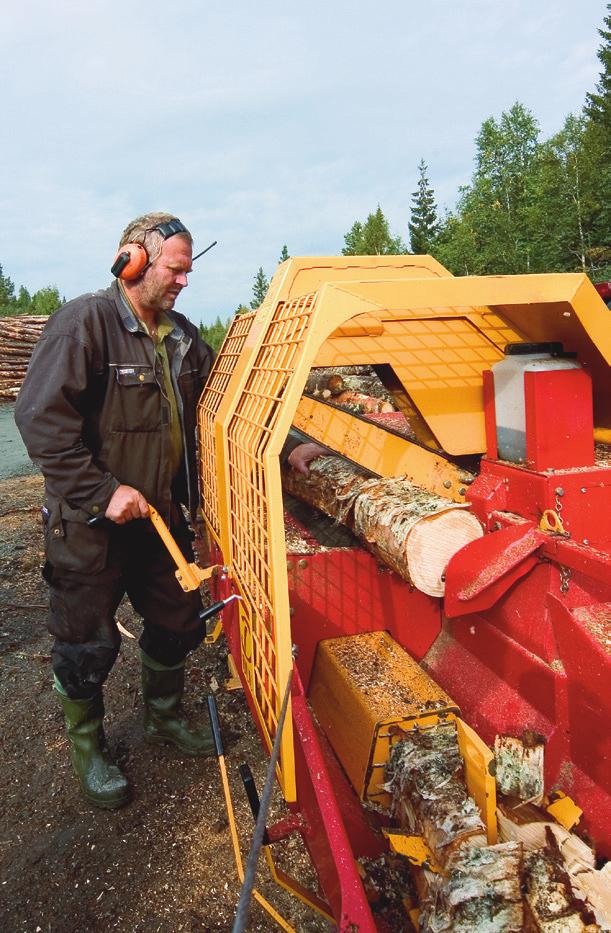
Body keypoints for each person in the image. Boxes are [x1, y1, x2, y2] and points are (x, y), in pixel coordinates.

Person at [15, 212, 215, 809]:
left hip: (160, 524)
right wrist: (104, 492)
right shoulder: (85, 324)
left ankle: (163, 717)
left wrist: (290, 446)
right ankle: (90, 748)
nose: (184, 282)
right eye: (176, 269)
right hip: (89, 528)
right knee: (86, 646)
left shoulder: (182, 337)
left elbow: (225, 404)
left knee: (181, 622)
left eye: (187, 271)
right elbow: (41, 421)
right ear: (132, 260)